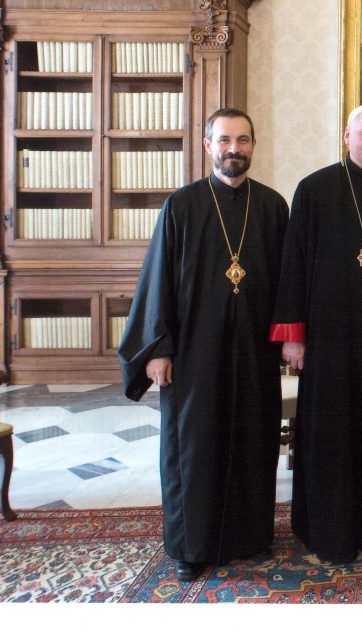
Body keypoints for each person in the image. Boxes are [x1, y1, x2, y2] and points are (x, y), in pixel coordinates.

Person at [118, 108, 289, 582]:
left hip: (254, 350)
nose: (234, 148)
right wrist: (158, 348)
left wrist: (288, 339)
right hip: (194, 352)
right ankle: (189, 546)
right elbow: (157, 280)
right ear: (208, 145)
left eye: (243, 140)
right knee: (193, 447)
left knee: (252, 439)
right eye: (225, 140)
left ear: (254, 144)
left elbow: (287, 282)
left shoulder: (272, 206)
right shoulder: (182, 205)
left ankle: (249, 536)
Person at [270, 103, 362, 564]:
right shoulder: (314, 189)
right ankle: (329, 528)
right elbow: (294, 264)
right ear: (347, 135)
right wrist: (294, 336)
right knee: (332, 429)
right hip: (329, 334)